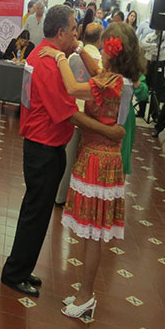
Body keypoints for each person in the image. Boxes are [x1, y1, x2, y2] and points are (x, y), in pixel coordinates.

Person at [0, 5, 125, 299]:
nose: (76, 35)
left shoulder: (42, 54)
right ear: (60, 33)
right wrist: (106, 131)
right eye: (73, 31)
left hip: (43, 144)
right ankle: (14, 272)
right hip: (43, 147)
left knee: (37, 212)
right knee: (35, 213)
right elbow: (68, 113)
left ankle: (21, 266)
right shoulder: (49, 63)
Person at [39, 22, 146, 319]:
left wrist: (59, 57)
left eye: (104, 46)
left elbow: (74, 88)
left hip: (99, 161)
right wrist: (78, 50)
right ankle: (83, 293)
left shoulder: (113, 83)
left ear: (112, 50)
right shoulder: (117, 78)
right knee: (90, 235)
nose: (100, 50)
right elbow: (97, 70)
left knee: (93, 236)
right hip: (98, 156)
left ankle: (86, 296)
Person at [55, 22, 103, 204]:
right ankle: (80, 200)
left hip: (73, 112)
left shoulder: (72, 58)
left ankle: (60, 196)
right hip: (93, 117)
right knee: (87, 161)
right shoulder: (101, 61)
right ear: (99, 40)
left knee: (68, 158)